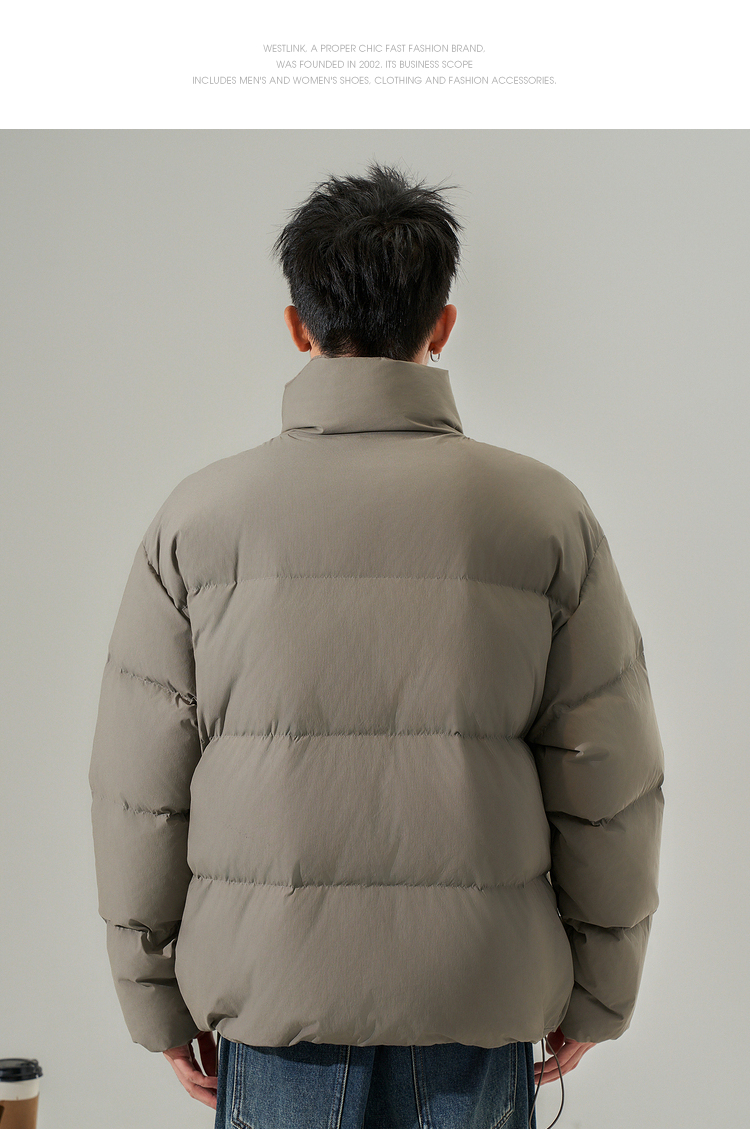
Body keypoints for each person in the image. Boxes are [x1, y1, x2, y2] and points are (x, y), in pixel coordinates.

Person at [88, 164, 665, 1129]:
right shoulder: (544, 515)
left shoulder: (198, 521)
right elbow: (609, 776)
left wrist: (154, 998)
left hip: (274, 1004)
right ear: (443, 324)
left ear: (297, 326)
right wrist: (602, 984)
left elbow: (139, 789)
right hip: (477, 999)